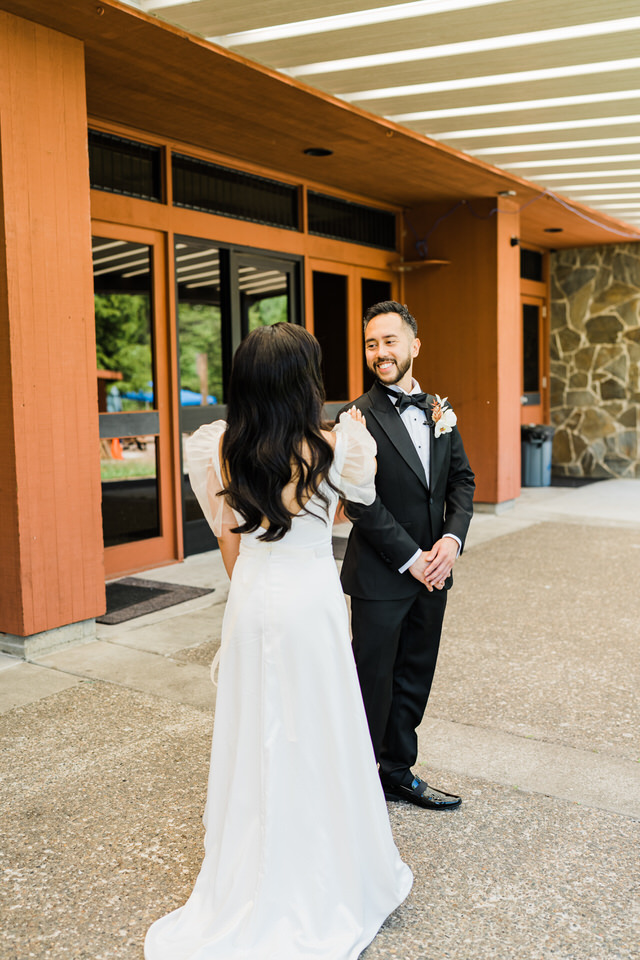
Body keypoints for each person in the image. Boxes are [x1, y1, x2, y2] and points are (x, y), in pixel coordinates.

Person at [145, 323, 412, 960]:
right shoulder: (340, 444)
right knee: (319, 728)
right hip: (311, 601)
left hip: (252, 602)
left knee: (254, 731)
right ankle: (323, 864)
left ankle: (251, 865)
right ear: (304, 382)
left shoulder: (220, 448)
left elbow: (230, 543)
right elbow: (344, 511)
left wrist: (253, 590)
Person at [339, 301, 475, 811]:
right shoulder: (355, 417)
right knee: (370, 683)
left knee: (415, 676)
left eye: (389, 341)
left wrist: (451, 541)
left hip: (434, 573)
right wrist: (412, 557)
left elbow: (461, 480)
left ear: (414, 345)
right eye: (371, 344)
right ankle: (355, 781)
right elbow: (360, 502)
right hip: (382, 575)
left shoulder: (439, 408)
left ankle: (397, 772)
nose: (380, 352)